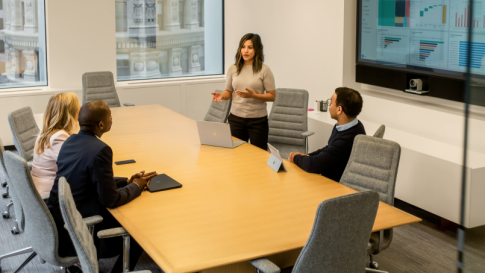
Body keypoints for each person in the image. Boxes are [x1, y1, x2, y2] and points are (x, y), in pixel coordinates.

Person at [46, 100, 158, 273]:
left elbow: (88, 178)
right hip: (82, 232)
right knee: (141, 232)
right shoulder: (101, 150)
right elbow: (111, 199)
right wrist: (136, 186)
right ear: (101, 124)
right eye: (110, 118)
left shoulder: (70, 141)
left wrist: (127, 181)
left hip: (61, 222)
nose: (112, 120)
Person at [211, 33, 276, 151]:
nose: (245, 51)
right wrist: (222, 95)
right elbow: (229, 91)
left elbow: (272, 96)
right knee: (236, 156)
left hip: (258, 122)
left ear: (257, 49)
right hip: (236, 119)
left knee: (258, 157)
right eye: (243, 47)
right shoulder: (232, 68)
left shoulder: (264, 70)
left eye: (250, 47)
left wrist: (253, 95)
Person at [288, 87, 366, 182]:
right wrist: (307, 156)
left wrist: (295, 157)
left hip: (334, 185)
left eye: (331, 102)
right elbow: (329, 148)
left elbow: (313, 165)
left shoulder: (346, 140)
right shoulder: (353, 124)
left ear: (339, 109)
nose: (329, 104)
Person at [32, 92, 81, 196]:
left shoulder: (46, 132)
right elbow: (75, 167)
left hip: (40, 187)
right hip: (51, 193)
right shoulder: (58, 137)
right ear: (70, 113)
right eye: (78, 108)